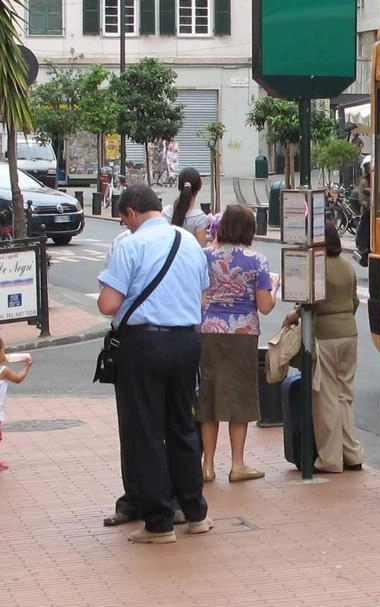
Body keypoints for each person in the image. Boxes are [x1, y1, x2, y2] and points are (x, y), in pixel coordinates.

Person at [97, 184, 213, 544]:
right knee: (182, 426)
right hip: (186, 341)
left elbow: (107, 304)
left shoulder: (130, 246)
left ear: (131, 212)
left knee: (145, 431)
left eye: (123, 218)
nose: (124, 225)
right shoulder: (188, 241)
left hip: (144, 343)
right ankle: (195, 513)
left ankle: (159, 522)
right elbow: (203, 294)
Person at [197, 205, 277, 483]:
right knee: (240, 395)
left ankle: (207, 464)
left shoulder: (204, 256)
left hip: (207, 329)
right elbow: (265, 306)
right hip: (243, 332)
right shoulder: (257, 260)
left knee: (208, 394)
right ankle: (237, 464)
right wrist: (274, 288)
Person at [281, 221, 365, 473]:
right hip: (349, 333)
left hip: (326, 335)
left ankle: (330, 458)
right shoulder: (347, 267)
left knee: (325, 396)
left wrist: (294, 317)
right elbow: (354, 301)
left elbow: (311, 303)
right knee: (343, 396)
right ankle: (352, 452)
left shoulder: (318, 267)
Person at [0, 339, 32, 472]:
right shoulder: (3, 371)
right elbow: (18, 378)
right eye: (3, 350)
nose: (5, 354)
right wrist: (26, 366)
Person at [163, 167, 211, 246]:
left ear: (179, 186)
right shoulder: (200, 218)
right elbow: (200, 249)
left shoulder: (166, 212)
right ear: (200, 186)